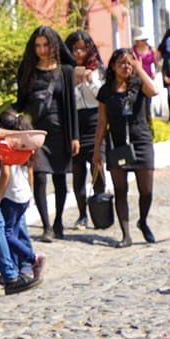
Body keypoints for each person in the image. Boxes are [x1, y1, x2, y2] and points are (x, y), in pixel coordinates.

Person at [93, 48, 161, 246]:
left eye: (130, 62)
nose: (126, 66)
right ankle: (126, 234)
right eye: (122, 62)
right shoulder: (105, 91)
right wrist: (98, 150)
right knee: (120, 190)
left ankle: (143, 221)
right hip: (117, 144)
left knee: (146, 191)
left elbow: (154, 90)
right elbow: (101, 122)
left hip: (141, 141)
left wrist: (140, 68)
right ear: (113, 66)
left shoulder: (139, 85)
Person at [17, 26, 79, 239]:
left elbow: (71, 106)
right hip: (36, 132)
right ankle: (46, 227)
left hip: (61, 131)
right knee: (41, 177)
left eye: (45, 45)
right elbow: (21, 102)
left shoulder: (65, 71)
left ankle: (59, 220)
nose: (41, 50)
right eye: (37, 45)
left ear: (53, 46)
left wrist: (75, 136)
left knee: (60, 179)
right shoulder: (28, 70)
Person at [65, 30, 106, 230]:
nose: (78, 53)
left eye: (82, 49)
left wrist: (89, 81)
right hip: (74, 123)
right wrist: (73, 81)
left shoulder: (98, 70)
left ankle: (100, 209)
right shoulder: (66, 71)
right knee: (78, 171)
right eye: (74, 49)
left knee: (97, 167)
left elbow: (101, 97)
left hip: (94, 120)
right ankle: (82, 215)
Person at [0, 116, 42, 285]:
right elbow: (30, 173)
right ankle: (12, 269)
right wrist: (31, 193)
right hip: (24, 195)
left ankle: (32, 258)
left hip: (11, 196)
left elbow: (5, 174)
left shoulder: (6, 145)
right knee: (14, 232)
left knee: (6, 234)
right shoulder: (27, 146)